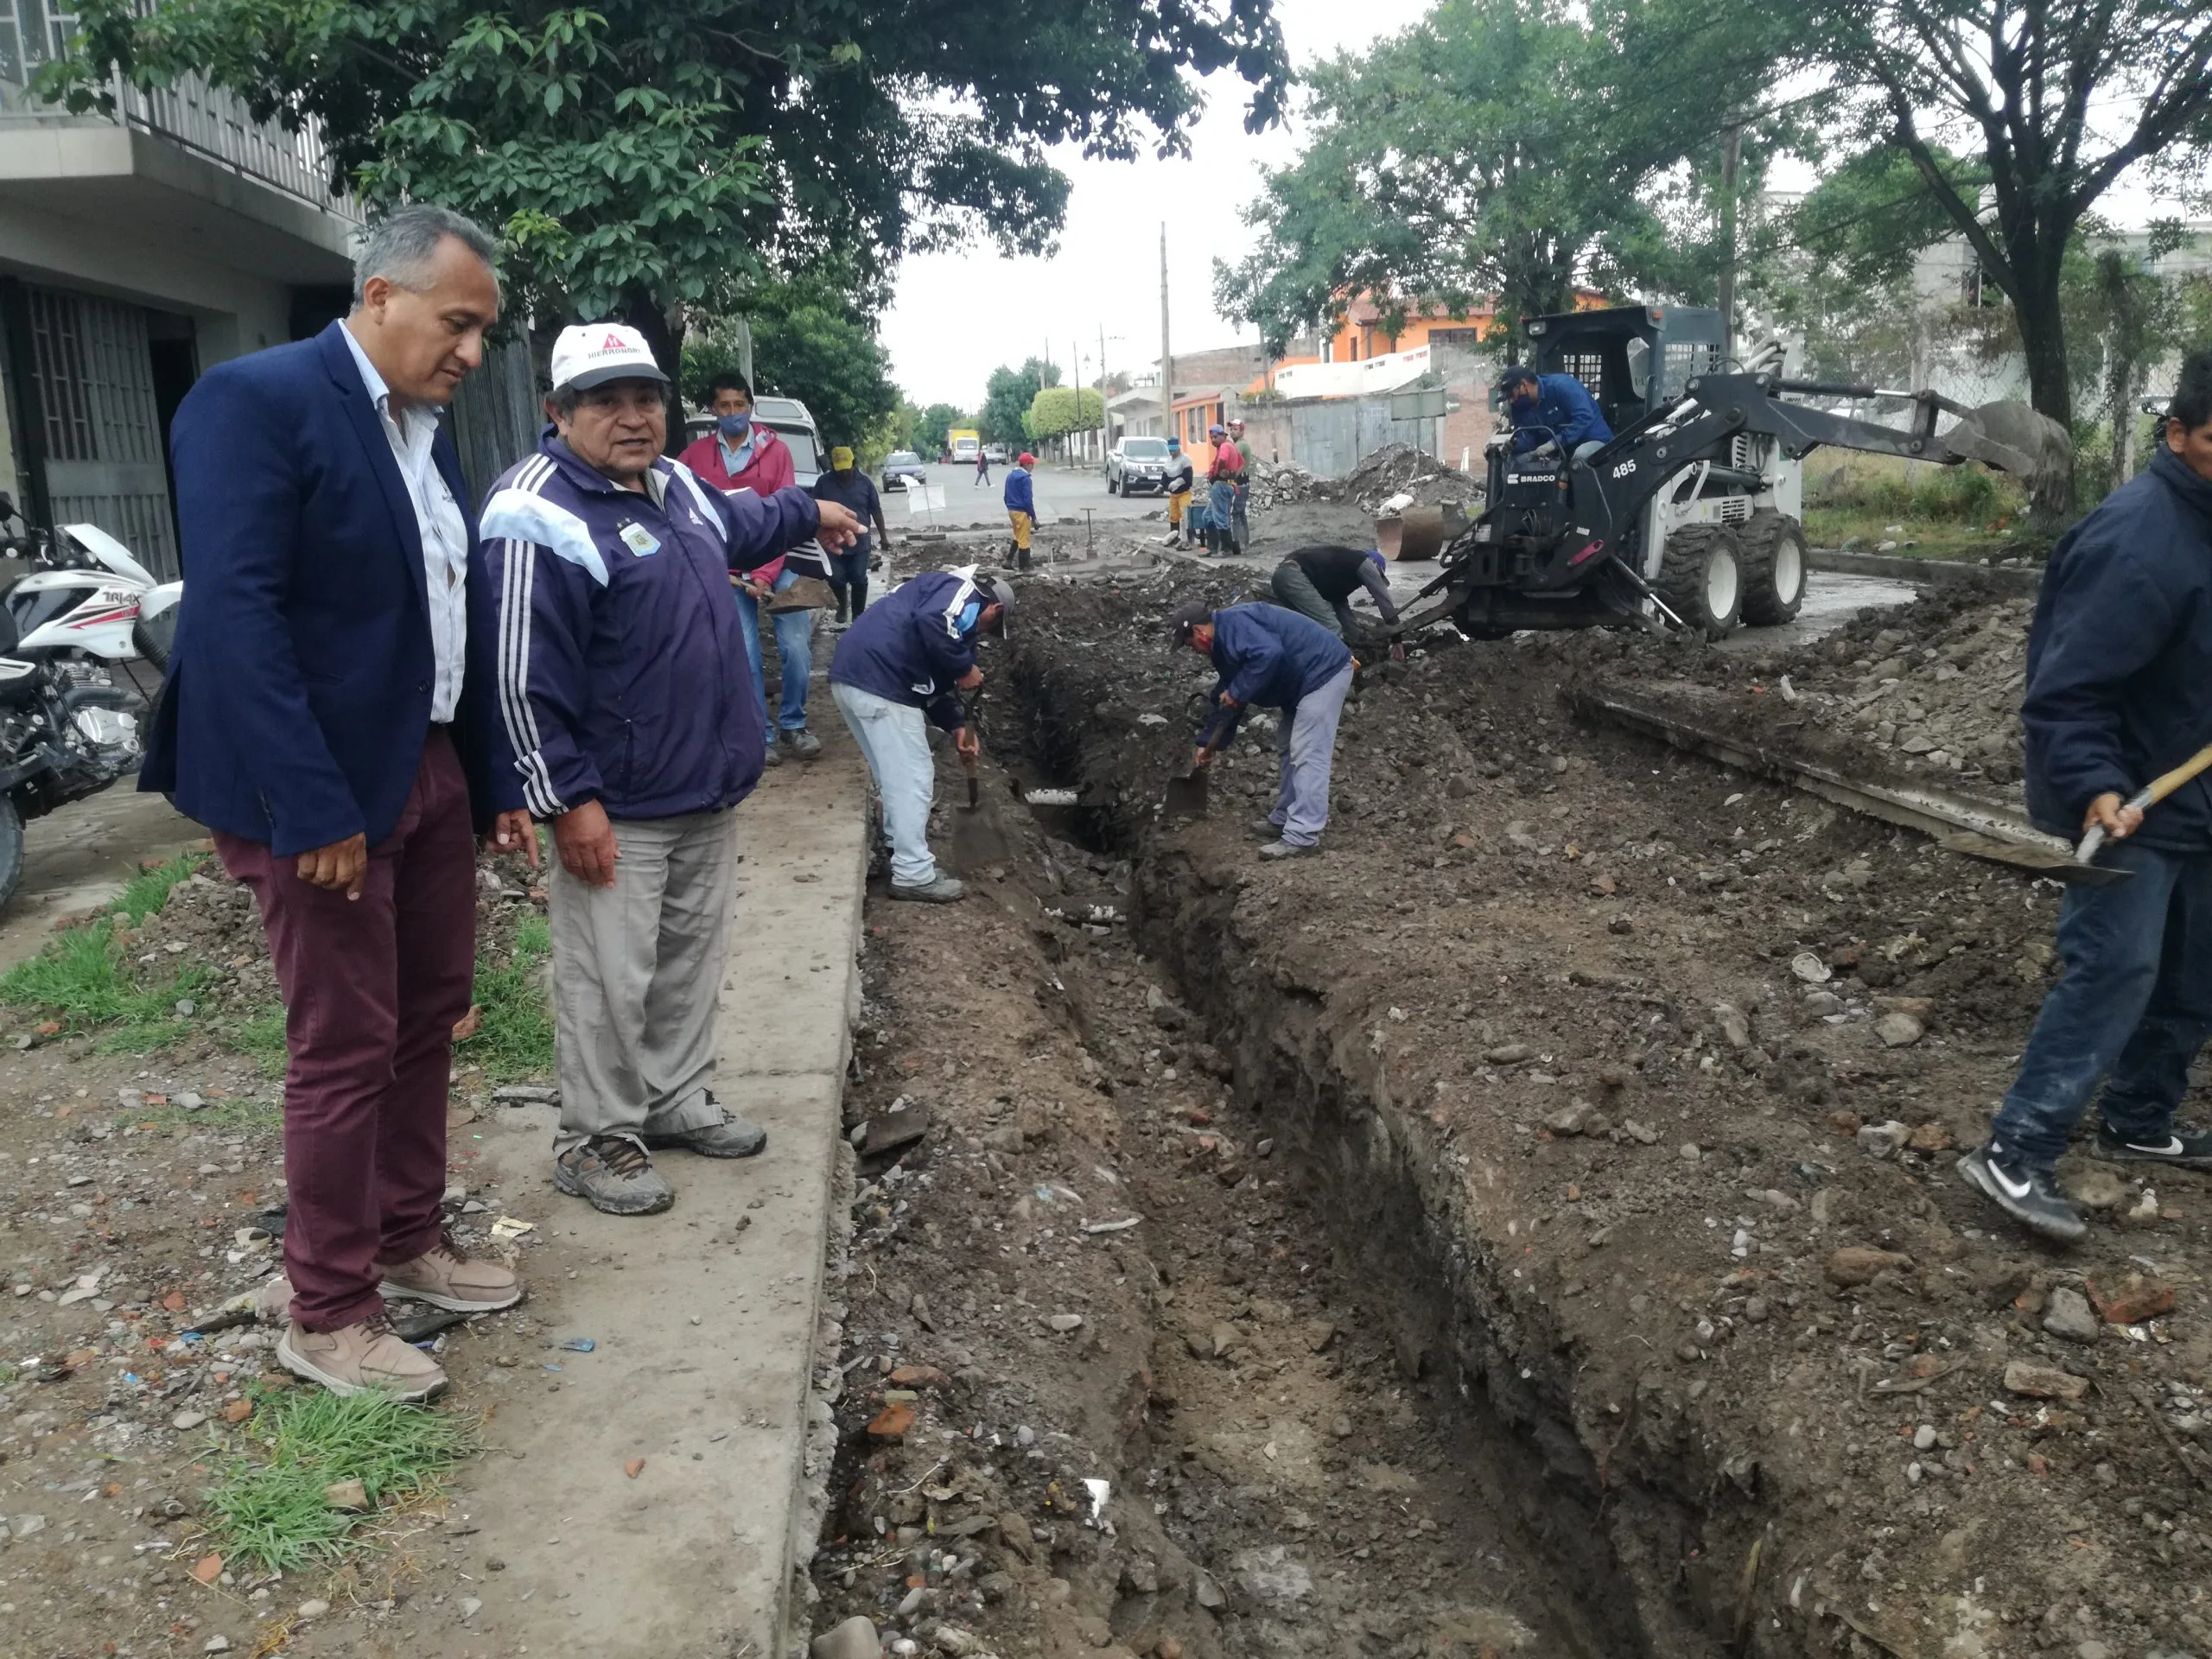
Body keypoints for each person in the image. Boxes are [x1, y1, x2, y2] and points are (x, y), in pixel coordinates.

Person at [141, 205, 537, 1402]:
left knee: (430, 1012)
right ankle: (326, 1307)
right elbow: (238, 616)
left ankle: (406, 1240)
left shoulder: (424, 432)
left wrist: (492, 783)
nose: (472, 353)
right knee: (345, 1042)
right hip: (312, 782)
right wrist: (310, 808)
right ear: (379, 295)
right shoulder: (256, 403)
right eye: (458, 324)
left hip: (421, 764)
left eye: (482, 333)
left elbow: (441, 611)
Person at [484, 324, 860, 1217]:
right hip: (616, 802)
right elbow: (518, 675)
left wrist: (815, 510)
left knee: (688, 960)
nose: (632, 416)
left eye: (645, 398)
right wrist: (565, 800)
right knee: (608, 975)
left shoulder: (676, 484)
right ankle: (596, 1136)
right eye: (605, 401)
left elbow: (745, 519)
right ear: (559, 412)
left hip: (703, 785)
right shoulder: (536, 512)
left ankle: (670, 1098)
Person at [1956, 348, 2212, 1243]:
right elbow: (2067, 689)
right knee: (2115, 970)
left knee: (2191, 973)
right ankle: (2013, 1150)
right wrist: (2096, 785)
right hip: (2130, 799)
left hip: (2199, 800)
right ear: (2175, 433)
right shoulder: (2137, 538)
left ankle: (2140, 1118)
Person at [830, 569, 1014, 903]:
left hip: (855, 678)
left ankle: (896, 849)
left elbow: (932, 691)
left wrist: (958, 726)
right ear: (994, 609)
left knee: (894, 776)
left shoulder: (942, 620)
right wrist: (963, 667)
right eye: (989, 629)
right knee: (914, 777)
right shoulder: (961, 593)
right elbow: (933, 620)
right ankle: (913, 874)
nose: (981, 635)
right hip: (881, 681)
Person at [1170, 598, 1353, 860]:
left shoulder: (1237, 626)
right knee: (1288, 745)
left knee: (1307, 751)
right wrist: (1208, 741)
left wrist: (1238, 691)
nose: (1194, 651)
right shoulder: (1223, 645)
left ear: (1199, 632)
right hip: (1299, 681)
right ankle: (1284, 818)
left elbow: (1270, 655)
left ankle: (1302, 836)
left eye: (1189, 645)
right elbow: (1229, 693)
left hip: (1323, 671)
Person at [677, 372, 796, 496]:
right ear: (712, 409)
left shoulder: (778, 452)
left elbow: (788, 505)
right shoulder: (696, 453)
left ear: (750, 407)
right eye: (724, 405)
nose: (733, 412)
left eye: (739, 405)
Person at [811, 445, 889, 629]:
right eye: (840, 470)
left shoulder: (865, 483)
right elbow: (814, 510)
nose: (844, 473)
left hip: (859, 542)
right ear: (832, 466)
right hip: (833, 542)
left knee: (858, 578)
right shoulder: (823, 483)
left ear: (854, 463)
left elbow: (876, 511)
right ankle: (842, 605)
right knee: (835, 578)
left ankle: (858, 618)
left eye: (847, 469)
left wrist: (884, 538)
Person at [1271, 544, 1402, 645]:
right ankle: (1330, 673)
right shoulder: (1364, 562)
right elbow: (1384, 600)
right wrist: (1397, 637)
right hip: (1294, 575)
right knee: (1331, 626)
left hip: (1281, 578)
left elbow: (1343, 612)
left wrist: (1360, 637)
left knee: (1307, 628)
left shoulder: (1338, 576)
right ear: (1375, 565)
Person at [1497, 364, 1611, 461]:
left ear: (1524, 385)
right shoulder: (1519, 408)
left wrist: (1553, 444)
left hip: (1594, 441)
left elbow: (1584, 419)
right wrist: (1515, 445)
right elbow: (1529, 439)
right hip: (1559, 452)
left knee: (1580, 457)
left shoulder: (1562, 386)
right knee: (1513, 461)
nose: (1511, 401)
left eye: (1512, 395)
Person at [1205, 423, 1244, 556]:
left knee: (1221, 517)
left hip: (1221, 486)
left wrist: (1221, 472)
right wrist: (1233, 477)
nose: (1213, 440)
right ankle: (1212, 548)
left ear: (1222, 435)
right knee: (1208, 516)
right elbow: (1242, 463)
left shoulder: (1225, 447)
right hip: (1227, 484)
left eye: (1215, 437)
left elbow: (1222, 459)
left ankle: (1226, 549)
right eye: (1211, 438)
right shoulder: (1231, 446)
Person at [1005, 451, 1038, 571]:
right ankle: (1024, 567)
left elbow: (1005, 496)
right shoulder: (1025, 479)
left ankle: (1008, 560)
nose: (1033, 467)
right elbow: (1028, 500)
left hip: (1012, 510)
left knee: (1018, 536)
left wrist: (1010, 507)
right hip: (1021, 512)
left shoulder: (1010, 475)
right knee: (1024, 539)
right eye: (1032, 464)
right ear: (1026, 465)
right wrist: (1034, 518)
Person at [1162, 436, 1195, 550]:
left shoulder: (1185, 459)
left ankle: (1187, 540)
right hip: (1173, 495)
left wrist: (1177, 482)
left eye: (1174, 450)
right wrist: (1160, 486)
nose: (1172, 453)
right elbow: (1164, 477)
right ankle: (1174, 539)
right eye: (1170, 451)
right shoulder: (1168, 462)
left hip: (1184, 493)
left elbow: (1188, 476)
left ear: (1178, 449)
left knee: (1185, 515)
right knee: (1174, 516)